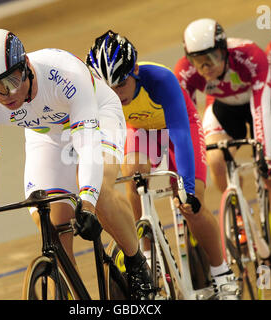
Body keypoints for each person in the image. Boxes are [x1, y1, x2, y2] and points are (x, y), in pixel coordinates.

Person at [0, 29, 154, 300]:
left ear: (27, 67)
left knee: (98, 192)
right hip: (47, 135)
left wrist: (87, 203)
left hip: (97, 117)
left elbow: (88, 145)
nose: (5, 96)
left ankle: (137, 265)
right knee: (51, 224)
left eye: (12, 82)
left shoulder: (64, 73)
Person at [86, 30, 240, 299]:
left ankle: (221, 272)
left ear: (133, 71)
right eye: (108, 89)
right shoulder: (99, 93)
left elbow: (181, 134)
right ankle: (146, 250)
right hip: (141, 131)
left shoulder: (160, 79)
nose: (115, 94)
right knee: (131, 173)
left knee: (192, 205)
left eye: (120, 84)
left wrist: (187, 188)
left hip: (177, 127)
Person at [174, 18, 271, 288]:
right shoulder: (184, 72)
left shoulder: (249, 55)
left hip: (261, 102)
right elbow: (187, 120)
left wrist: (265, 154)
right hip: (222, 108)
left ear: (225, 50)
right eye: (198, 61)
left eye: (212, 57)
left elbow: (261, 109)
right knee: (215, 158)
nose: (206, 67)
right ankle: (238, 216)